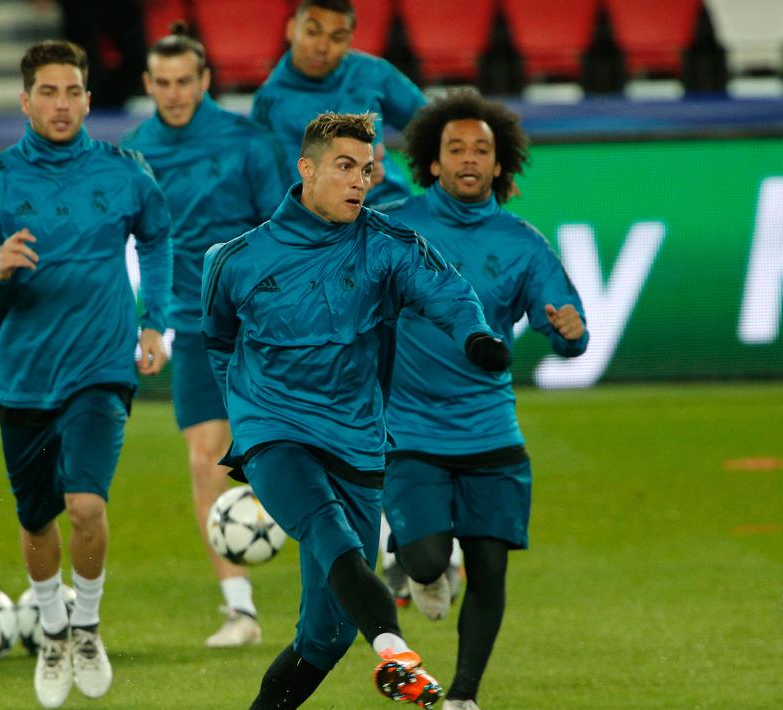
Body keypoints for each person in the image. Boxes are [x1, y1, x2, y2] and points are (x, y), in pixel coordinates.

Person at [202, 112, 512, 709]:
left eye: (367, 170)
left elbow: (449, 293)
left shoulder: (388, 246)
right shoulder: (236, 258)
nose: (358, 181)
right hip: (276, 433)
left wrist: (476, 337)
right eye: (344, 167)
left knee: (325, 635)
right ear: (307, 168)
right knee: (328, 530)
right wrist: (245, 417)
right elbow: (217, 340)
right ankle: (395, 650)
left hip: (357, 442)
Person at [0, 40, 172, 709]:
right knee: (37, 520)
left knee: (86, 505)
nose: (62, 104)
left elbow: (156, 236)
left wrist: (154, 321)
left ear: (89, 100)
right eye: (48, 92)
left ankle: (88, 628)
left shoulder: (126, 172)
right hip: (23, 378)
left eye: (72, 92)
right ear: (25, 101)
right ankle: (50, 630)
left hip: (101, 367)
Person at [374, 90, 588, 710]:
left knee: (491, 568)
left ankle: (464, 697)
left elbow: (568, 329)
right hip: (410, 429)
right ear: (432, 163)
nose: (469, 158)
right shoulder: (397, 227)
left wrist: (570, 333)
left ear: (500, 165)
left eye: (482, 150)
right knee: (425, 561)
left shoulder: (523, 243)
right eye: (455, 148)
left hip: (490, 429)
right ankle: (418, 567)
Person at [122, 22, 290, 649]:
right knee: (204, 463)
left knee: (309, 451)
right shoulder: (135, 152)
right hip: (194, 330)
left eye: (184, 81)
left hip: (265, 327)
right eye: (161, 83)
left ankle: (380, 553)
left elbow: (281, 230)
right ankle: (240, 610)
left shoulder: (247, 142)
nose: (173, 92)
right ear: (147, 84)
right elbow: (145, 244)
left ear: (205, 81)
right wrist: (151, 322)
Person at [251, 0, 426, 206]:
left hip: (391, 205)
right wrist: (349, 182)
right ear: (291, 30)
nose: (322, 47)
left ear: (349, 40)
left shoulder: (371, 72)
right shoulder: (268, 104)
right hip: (319, 224)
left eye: (337, 37)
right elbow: (278, 191)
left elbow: (432, 126)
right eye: (312, 32)